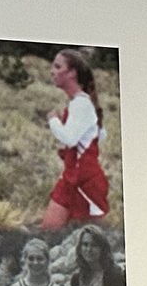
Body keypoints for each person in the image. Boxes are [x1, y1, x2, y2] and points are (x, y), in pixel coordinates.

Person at [39, 48, 110, 228]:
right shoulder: (81, 103)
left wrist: (53, 120)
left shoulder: (81, 105)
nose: (52, 71)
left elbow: (69, 138)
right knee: (50, 231)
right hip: (73, 179)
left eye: (57, 67)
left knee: (96, 238)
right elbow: (100, 135)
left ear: (72, 73)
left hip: (85, 183)